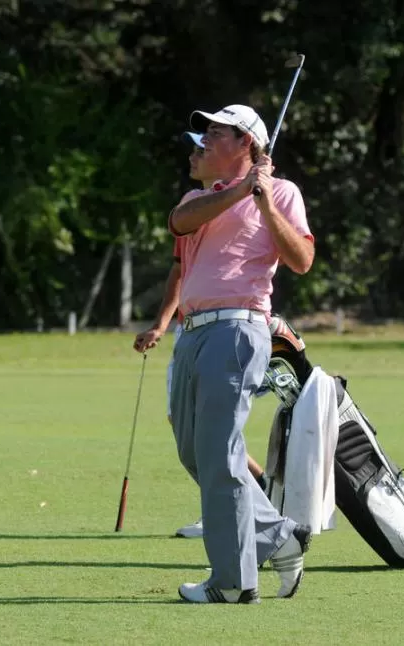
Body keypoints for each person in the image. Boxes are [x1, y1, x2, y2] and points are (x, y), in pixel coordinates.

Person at [167, 104, 315, 604]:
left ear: (245, 143)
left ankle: (232, 582)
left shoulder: (283, 193)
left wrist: (265, 201)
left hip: (237, 328)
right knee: (197, 451)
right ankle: (278, 534)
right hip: (192, 334)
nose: (203, 140)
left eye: (214, 132)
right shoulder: (201, 196)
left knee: (218, 451)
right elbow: (180, 222)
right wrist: (239, 189)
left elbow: (301, 260)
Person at [133, 133, 268, 540]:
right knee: (189, 425)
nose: (194, 156)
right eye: (194, 149)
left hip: (232, 327)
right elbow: (180, 268)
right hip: (191, 328)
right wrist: (161, 323)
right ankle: (239, 509)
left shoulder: (266, 196)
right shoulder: (193, 204)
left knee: (218, 430)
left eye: (201, 148)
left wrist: (252, 189)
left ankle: (256, 510)